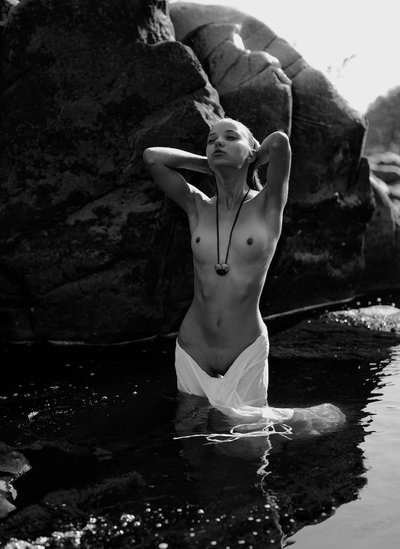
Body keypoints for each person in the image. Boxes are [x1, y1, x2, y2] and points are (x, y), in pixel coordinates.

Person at [143, 118, 345, 437]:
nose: (218, 142)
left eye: (230, 137)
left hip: (244, 350)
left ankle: (304, 421)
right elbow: (153, 157)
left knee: (248, 447)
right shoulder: (197, 205)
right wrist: (209, 163)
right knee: (191, 438)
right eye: (212, 139)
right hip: (193, 349)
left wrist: (249, 160)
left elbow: (279, 142)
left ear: (251, 151)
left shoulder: (268, 205)